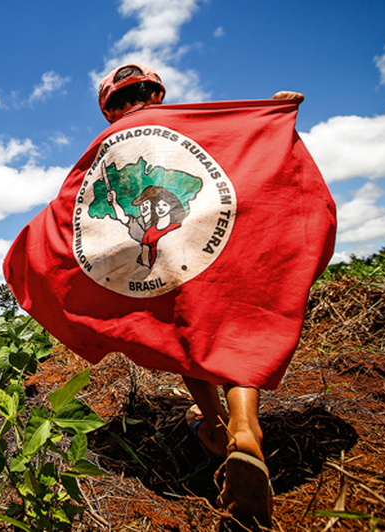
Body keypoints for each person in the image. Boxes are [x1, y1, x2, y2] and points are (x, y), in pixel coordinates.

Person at [97, 63, 307, 528]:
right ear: (156, 94)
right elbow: (239, 155)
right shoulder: (188, 126)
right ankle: (245, 427)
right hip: (211, 242)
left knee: (186, 332)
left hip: (163, 259)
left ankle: (213, 426)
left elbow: (83, 213)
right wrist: (269, 120)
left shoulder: (109, 147)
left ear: (108, 109)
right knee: (230, 326)